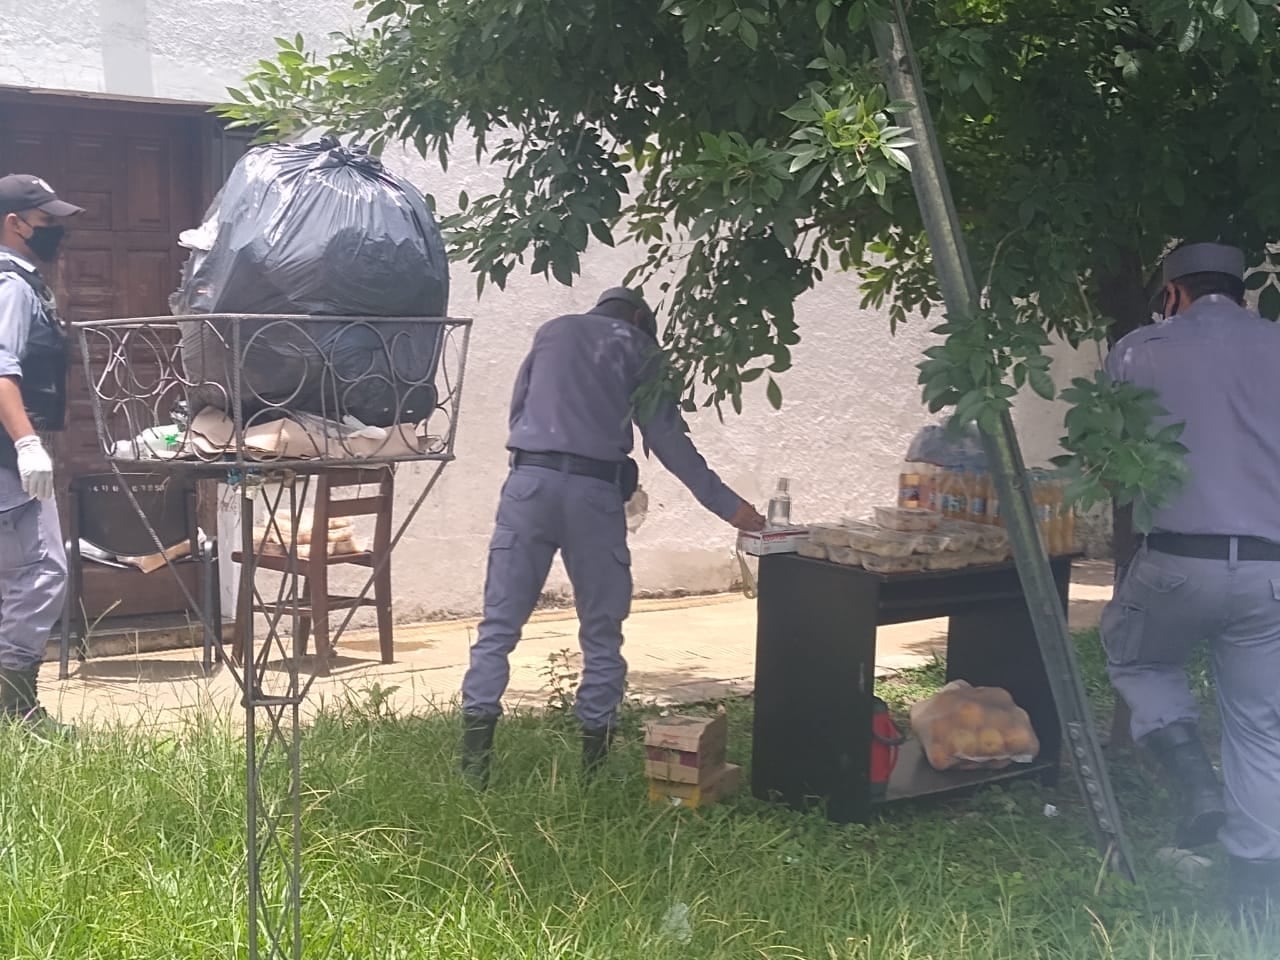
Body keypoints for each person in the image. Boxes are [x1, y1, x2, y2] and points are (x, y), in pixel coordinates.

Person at [460, 287, 766, 786]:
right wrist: (730, 507)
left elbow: (517, 412)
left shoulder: (552, 331)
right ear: (643, 318)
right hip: (593, 496)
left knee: (497, 629)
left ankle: (474, 772)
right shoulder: (643, 350)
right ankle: (592, 774)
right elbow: (668, 440)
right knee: (601, 636)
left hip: (527, 485)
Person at [1101, 241, 1280, 917]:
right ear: (1243, 293)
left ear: (1172, 293)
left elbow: (1113, 448)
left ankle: (1192, 779)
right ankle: (1256, 892)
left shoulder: (1139, 348)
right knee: (1262, 725)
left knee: (1135, 653)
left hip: (1177, 561)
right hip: (1271, 572)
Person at [0, 174, 82, 735]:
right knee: (41, 574)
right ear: (16, 223)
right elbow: (1, 370)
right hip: (8, 458)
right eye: (48, 222)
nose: (57, 231)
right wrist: (27, 443)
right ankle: (15, 708)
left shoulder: (27, 282)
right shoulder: (9, 285)